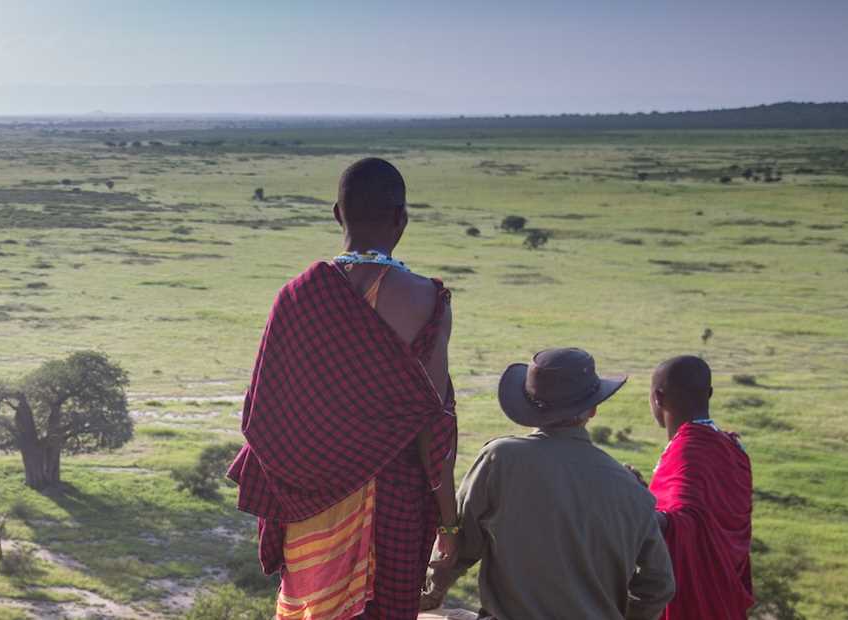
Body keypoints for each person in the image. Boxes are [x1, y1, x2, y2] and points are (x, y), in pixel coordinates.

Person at [228, 157, 457, 619]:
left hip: (310, 509)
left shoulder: (296, 296)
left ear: (337, 214)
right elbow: (435, 426)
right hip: (392, 503)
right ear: (401, 219)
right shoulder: (427, 299)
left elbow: (263, 418)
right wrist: (448, 524)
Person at [424, 348, 674, 620]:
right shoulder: (633, 491)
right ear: (593, 409)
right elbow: (659, 585)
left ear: (527, 405)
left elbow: (458, 546)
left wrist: (432, 594)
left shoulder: (502, 460)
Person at [648, 355, 753, 619]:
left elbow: (684, 523)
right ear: (709, 394)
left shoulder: (688, 450)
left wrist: (630, 499)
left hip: (693, 603)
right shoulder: (733, 448)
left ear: (658, 397)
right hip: (726, 597)